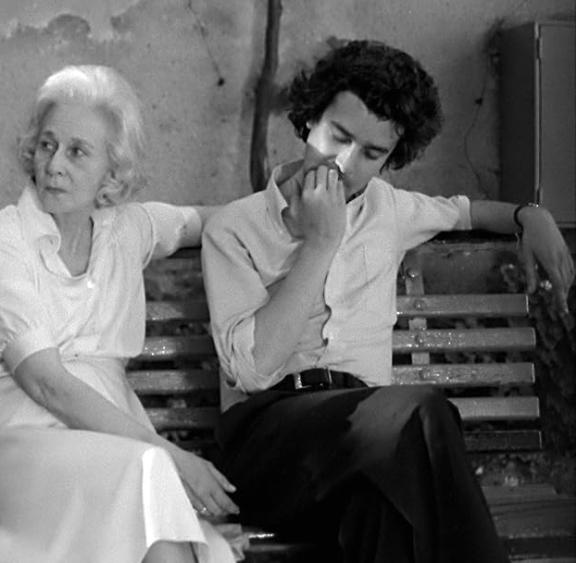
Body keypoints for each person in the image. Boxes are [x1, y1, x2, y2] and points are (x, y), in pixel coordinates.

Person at [202, 39, 574, 562]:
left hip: (373, 450)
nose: (345, 162)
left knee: (384, 515)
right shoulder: (234, 229)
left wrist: (529, 215)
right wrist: (321, 242)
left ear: (390, 159)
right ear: (309, 120)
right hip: (272, 448)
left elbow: (464, 212)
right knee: (421, 414)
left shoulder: (389, 210)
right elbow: (253, 370)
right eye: (338, 136)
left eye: (372, 153)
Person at [0, 65, 237, 563]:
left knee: (148, 494)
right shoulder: (1, 242)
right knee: (149, 477)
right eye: (47, 145)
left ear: (112, 171)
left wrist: (288, 204)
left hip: (113, 446)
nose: (54, 165)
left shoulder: (125, 230)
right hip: (19, 447)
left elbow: (201, 221)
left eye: (77, 151)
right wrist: (171, 455)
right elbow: (47, 385)